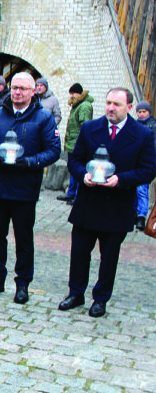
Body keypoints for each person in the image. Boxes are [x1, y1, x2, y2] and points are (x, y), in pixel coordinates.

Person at [58, 88, 156, 317]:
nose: (111, 108)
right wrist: (83, 176)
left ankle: (101, 298)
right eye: (108, 103)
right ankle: (76, 293)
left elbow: (148, 170)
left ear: (129, 107)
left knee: (109, 256)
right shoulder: (90, 128)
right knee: (79, 252)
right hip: (88, 202)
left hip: (117, 205)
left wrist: (121, 180)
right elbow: (75, 160)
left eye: (117, 104)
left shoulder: (142, 134)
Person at [0, 72, 61, 304]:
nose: (17, 92)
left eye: (23, 88)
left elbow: (54, 150)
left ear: (33, 91)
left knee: (24, 239)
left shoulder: (43, 118)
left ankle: (22, 284)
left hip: (25, 188)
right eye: (14, 88)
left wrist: (31, 162)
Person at [57, 83, 94, 204]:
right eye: (70, 94)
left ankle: (77, 195)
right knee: (72, 168)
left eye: (73, 93)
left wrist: (81, 144)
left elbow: (85, 126)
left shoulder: (84, 106)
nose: (71, 96)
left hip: (78, 144)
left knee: (78, 168)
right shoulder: (77, 105)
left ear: (79, 93)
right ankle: (71, 193)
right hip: (72, 143)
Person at [134, 100, 156, 231]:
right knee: (134, 190)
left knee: (142, 190)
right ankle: (134, 214)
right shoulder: (134, 125)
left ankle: (141, 216)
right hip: (134, 161)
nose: (141, 114)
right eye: (139, 112)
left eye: (144, 112)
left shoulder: (153, 126)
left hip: (145, 162)